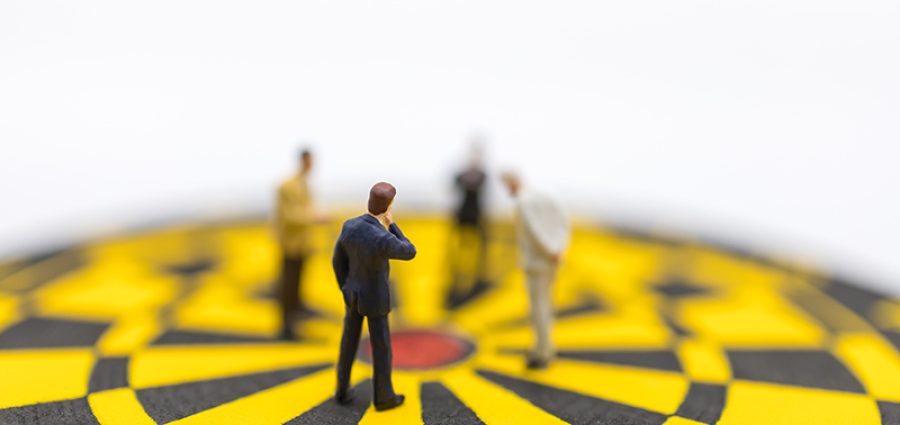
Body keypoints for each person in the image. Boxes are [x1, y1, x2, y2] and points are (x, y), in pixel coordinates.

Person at [333, 182, 416, 411]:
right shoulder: (383, 237)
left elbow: (337, 260)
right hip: (376, 300)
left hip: (353, 296)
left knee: (348, 343)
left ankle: (341, 389)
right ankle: (383, 396)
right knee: (381, 349)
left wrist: (345, 287)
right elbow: (410, 250)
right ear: (388, 206)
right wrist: (392, 223)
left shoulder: (349, 226)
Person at [501, 171, 570, 369]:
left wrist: (550, 249)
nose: (507, 190)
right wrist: (559, 247)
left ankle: (542, 352)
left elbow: (534, 230)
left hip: (537, 262)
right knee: (546, 305)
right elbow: (564, 220)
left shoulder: (524, 202)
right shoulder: (547, 196)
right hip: (553, 259)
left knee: (538, 308)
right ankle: (547, 348)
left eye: (507, 185)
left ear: (513, 181)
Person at [273, 148, 325, 340]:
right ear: (302, 161)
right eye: (309, 162)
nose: (311, 166)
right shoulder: (286, 186)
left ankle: (296, 316)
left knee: (298, 283)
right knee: (289, 285)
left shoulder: (304, 184)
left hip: (303, 243)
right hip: (290, 243)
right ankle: (286, 325)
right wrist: (314, 217)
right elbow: (289, 217)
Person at [448, 142, 488, 304]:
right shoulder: (463, 174)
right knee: (456, 249)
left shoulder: (482, 175)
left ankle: (475, 276)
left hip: (475, 215)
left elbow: (476, 184)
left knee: (478, 250)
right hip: (462, 215)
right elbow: (457, 184)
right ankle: (457, 274)